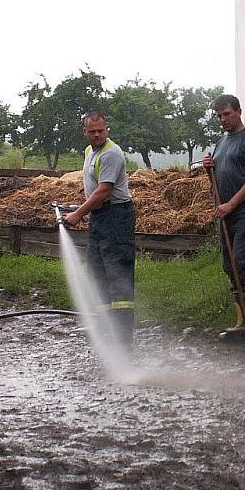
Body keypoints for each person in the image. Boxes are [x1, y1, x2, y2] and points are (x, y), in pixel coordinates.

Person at [64, 112, 136, 347]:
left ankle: (122, 342)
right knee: (98, 274)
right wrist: (83, 208)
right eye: (92, 131)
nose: (96, 135)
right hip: (100, 217)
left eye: (100, 131)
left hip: (116, 217)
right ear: (84, 132)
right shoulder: (90, 152)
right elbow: (94, 189)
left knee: (118, 277)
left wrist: (77, 214)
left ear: (108, 129)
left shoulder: (111, 154)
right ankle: (106, 335)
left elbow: (104, 191)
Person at [202, 94, 245, 333]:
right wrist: (209, 170)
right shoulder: (221, 144)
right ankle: (242, 319)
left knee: (242, 261)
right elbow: (217, 183)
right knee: (229, 265)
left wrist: (232, 203)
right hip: (226, 214)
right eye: (219, 116)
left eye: (227, 114)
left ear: (239, 111)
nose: (223, 119)